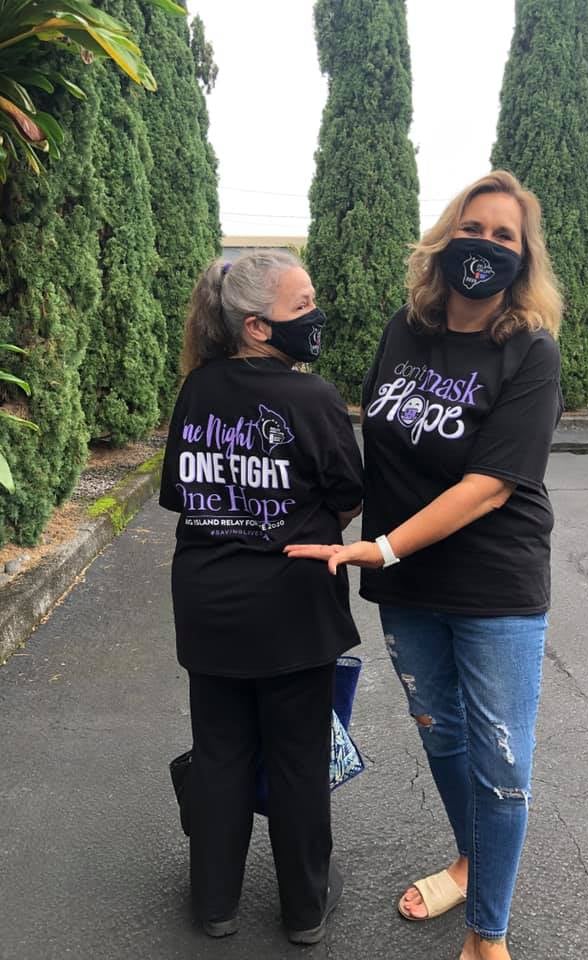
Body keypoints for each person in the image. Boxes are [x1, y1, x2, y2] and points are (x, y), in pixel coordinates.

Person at [285, 170, 563, 960]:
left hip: (494, 585)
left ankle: (487, 936)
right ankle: (472, 861)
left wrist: (381, 546)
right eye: (473, 228)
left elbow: (489, 487)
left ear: (523, 257)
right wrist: (316, 522)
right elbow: (380, 445)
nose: (485, 245)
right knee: (442, 737)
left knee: (501, 765)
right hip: (408, 586)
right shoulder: (404, 331)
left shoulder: (529, 351)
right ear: (446, 238)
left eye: (504, 236)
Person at [159, 250, 363, 945]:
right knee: (299, 758)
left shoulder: (196, 389)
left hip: (208, 604)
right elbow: (347, 497)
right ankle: (305, 909)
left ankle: (214, 904)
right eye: (301, 306)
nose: (315, 316)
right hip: (292, 608)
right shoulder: (313, 398)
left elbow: (180, 494)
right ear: (256, 326)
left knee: (219, 753)